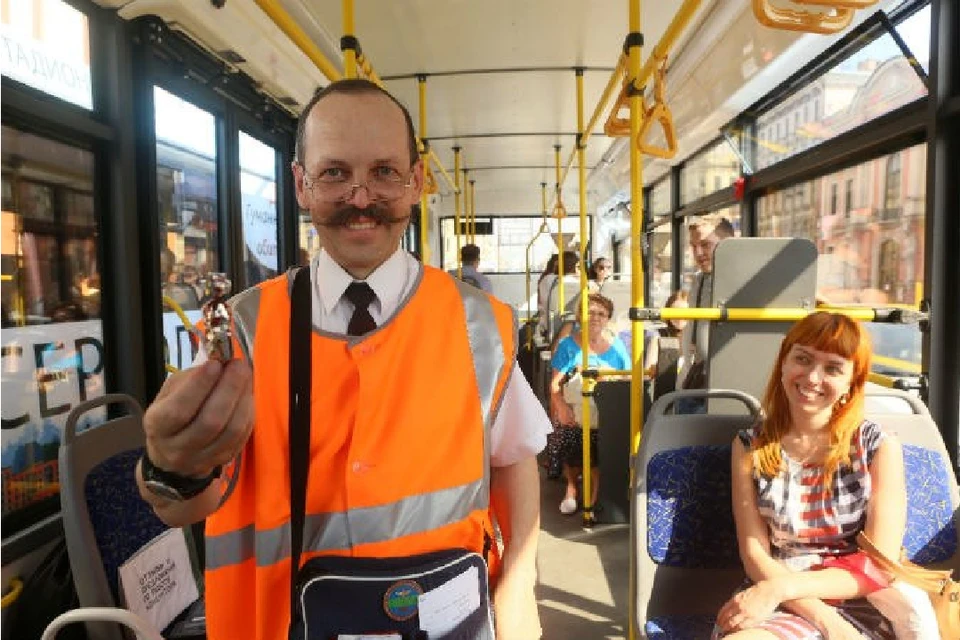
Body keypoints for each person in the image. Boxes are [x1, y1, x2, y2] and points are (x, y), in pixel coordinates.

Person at [136, 79, 550, 640]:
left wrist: (519, 585)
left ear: (416, 183)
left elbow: (513, 459)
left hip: (448, 620)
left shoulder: (482, 324)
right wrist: (170, 471)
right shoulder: (243, 330)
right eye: (335, 173)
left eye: (384, 171)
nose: (361, 198)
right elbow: (187, 506)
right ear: (301, 185)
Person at [713, 312, 937, 639]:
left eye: (832, 368)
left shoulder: (877, 447)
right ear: (784, 364)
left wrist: (783, 589)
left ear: (851, 382)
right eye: (803, 359)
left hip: (862, 595)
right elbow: (755, 553)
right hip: (780, 592)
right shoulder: (751, 445)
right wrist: (821, 617)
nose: (813, 378)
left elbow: (880, 564)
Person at [548, 293, 629, 515]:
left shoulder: (618, 347)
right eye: (590, 312)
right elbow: (555, 384)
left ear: (608, 319)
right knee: (570, 434)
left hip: (606, 407)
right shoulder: (568, 346)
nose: (595, 318)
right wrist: (562, 407)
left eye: (601, 314)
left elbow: (627, 380)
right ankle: (572, 487)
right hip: (576, 408)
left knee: (604, 441)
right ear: (580, 316)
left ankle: (595, 495)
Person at [676, 220, 720, 410]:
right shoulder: (699, 280)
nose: (698, 253)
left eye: (705, 244)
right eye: (694, 246)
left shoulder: (737, 282)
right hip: (694, 377)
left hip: (717, 384)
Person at [643, 289, 688, 378]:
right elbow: (648, 375)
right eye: (674, 312)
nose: (679, 316)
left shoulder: (698, 338)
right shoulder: (658, 337)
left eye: (684, 312)